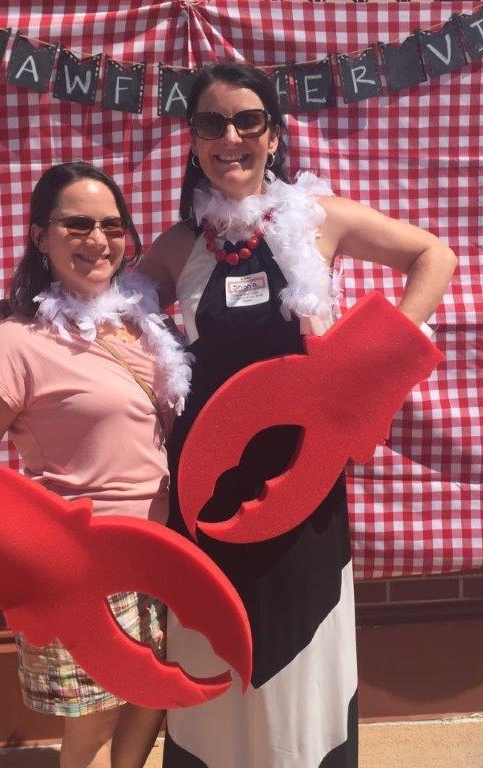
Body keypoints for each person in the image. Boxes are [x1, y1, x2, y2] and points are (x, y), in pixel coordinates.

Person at [137, 63, 457, 768]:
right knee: (212, 646)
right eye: (211, 123)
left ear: (273, 137)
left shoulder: (321, 220)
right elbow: (107, 316)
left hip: (302, 483)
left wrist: (374, 369)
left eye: (247, 120)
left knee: (300, 656)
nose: (230, 137)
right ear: (191, 142)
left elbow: (433, 256)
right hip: (204, 491)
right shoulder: (175, 248)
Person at [0, 161, 191, 768]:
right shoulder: (15, 342)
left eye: (112, 225)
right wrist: (28, 543)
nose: (98, 241)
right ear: (40, 236)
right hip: (84, 561)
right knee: (97, 710)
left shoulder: (147, 329)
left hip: (164, 551)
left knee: (152, 695)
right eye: (77, 225)